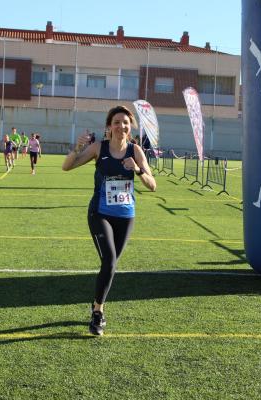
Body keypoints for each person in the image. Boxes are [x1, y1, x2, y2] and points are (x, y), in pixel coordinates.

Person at [62, 105, 157, 336]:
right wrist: (78, 147)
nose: (121, 126)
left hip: (125, 216)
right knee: (110, 261)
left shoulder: (136, 151)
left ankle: (97, 307)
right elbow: (67, 166)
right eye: (116, 122)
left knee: (110, 265)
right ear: (109, 126)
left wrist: (137, 169)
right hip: (100, 213)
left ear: (130, 125)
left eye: (125, 122)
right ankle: (98, 312)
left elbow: (152, 186)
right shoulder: (99, 148)